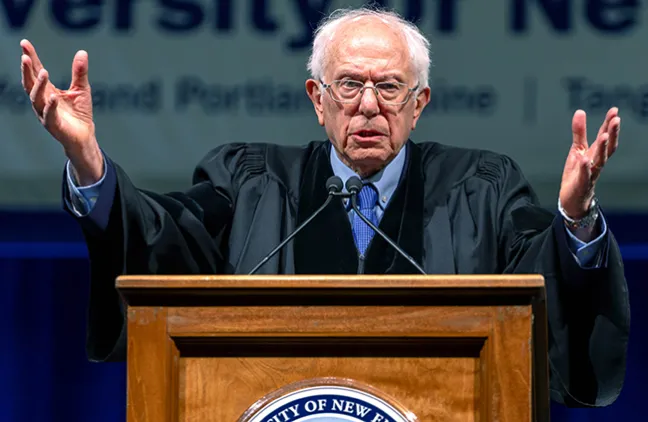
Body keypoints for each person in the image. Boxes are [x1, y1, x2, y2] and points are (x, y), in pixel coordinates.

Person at [20, 6, 628, 409]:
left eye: (389, 88)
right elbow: (163, 238)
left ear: (419, 105)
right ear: (317, 98)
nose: (368, 106)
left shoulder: (483, 187)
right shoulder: (250, 180)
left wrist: (574, 220)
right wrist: (91, 166)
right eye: (349, 85)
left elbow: (538, 288)